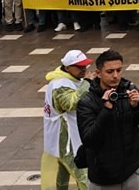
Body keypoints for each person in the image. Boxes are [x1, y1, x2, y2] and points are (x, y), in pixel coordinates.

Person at [76, 49, 139, 190]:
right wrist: (106, 110)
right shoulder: (87, 101)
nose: (116, 76)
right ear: (98, 73)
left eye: (119, 70)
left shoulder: (129, 90)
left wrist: (137, 107)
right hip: (103, 177)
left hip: (132, 171)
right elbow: (89, 139)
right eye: (110, 71)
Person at [41, 49, 93, 190]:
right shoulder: (60, 85)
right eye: (80, 66)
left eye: (85, 66)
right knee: (83, 174)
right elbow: (71, 103)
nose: (84, 69)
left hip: (67, 135)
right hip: (64, 138)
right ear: (68, 67)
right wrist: (87, 82)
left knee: (61, 175)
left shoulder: (73, 78)